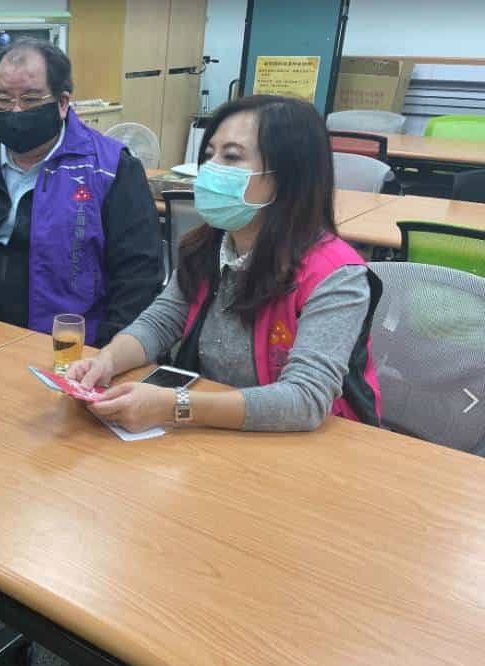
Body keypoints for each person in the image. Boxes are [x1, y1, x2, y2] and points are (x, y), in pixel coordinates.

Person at [68, 95, 382, 432]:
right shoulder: (210, 245)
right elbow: (160, 323)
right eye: (209, 155)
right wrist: (107, 360)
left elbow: (305, 399)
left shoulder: (335, 274)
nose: (210, 169)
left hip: (307, 442)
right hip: (216, 426)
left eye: (231, 157)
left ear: (288, 176)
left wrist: (174, 406)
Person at [0, 39, 164, 346]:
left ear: (63, 103)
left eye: (30, 99)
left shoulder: (111, 169)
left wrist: (105, 353)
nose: (15, 111)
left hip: (67, 348)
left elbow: (138, 276)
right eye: (3, 99)